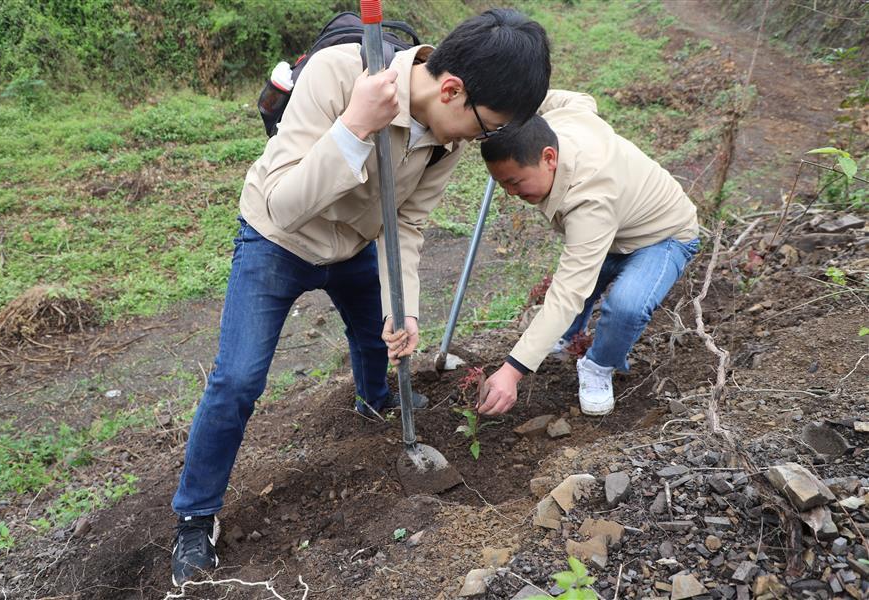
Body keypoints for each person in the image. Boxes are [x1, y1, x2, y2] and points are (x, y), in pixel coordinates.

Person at [170, 9, 551, 586]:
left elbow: (408, 225)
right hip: (279, 240)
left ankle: (374, 401)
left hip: (355, 246)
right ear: (452, 90)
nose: (483, 139)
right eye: (486, 125)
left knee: (380, 337)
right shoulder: (337, 75)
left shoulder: (445, 144)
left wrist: (407, 307)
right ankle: (196, 517)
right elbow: (285, 204)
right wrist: (353, 127)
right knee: (237, 380)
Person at [472, 89, 699, 418]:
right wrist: (501, 107)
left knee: (626, 306)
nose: (510, 193)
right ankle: (566, 336)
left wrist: (512, 371)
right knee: (580, 283)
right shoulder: (565, 120)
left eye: (515, 182)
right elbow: (579, 99)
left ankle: (598, 366)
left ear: (549, 158)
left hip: (662, 235)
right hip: (615, 229)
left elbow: (569, 290)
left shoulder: (590, 199)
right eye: (502, 184)